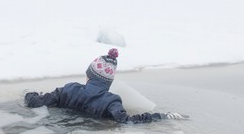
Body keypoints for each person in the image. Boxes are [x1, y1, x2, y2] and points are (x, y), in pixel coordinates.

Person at [24, 48, 187, 124]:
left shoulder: (69, 90)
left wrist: (29, 93)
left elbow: (34, 102)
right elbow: (126, 121)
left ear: (89, 75)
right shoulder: (111, 102)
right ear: (108, 82)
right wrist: (161, 116)